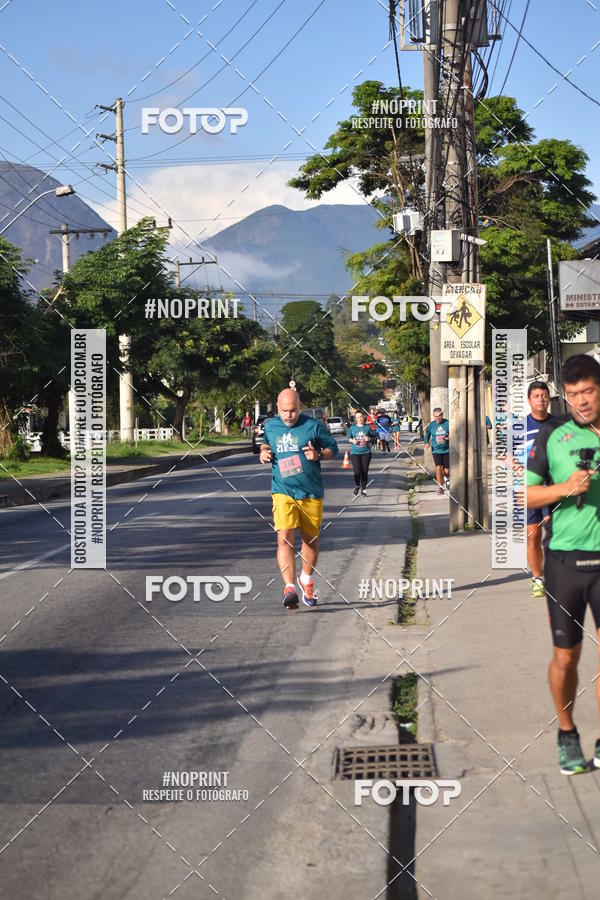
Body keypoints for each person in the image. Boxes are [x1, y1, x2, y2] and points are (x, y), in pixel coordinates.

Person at [526, 354, 600, 775]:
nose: (581, 402)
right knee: (566, 659)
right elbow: (526, 496)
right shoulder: (553, 436)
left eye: (588, 391)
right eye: (573, 396)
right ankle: (567, 732)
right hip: (565, 563)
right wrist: (564, 488)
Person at [260, 389, 338, 610]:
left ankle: (306, 578)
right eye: (285, 411)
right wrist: (263, 453)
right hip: (282, 490)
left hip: (310, 492)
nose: (289, 415)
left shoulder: (313, 426)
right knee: (284, 537)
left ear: (300, 407)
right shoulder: (271, 426)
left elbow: (333, 448)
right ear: (278, 408)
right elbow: (266, 444)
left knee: (309, 541)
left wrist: (319, 455)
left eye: (293, 410)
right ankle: (290, 587)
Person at [526, 382, 554, 598]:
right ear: (529, 400)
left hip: (556, 489)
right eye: (536, 396)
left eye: (544, 395)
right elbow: (505, 453)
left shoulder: (560, 425)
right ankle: (537, 578)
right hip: (530, 490)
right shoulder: (520, 427)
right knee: (533, 535)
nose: (541, 399)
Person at [424, 408, 450, 495]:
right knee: (438, 468)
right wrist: (426, 442)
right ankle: (440, 487)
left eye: (439, 416)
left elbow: (454, 433)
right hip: (436, 450)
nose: (437, 418)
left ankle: (446, 479)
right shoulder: (431, 425)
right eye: (435, 417)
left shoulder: (448, 423)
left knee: (446, 471)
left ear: (442, 415)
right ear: (433, 416)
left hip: (447, 449)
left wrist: (448, 438)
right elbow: (427, 434)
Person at [348, 410, 373, 496]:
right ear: (355, 418)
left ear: (363, 417)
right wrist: (353, 441)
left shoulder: (367, 427)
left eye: (361, 417)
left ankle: (364, 490)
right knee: (357, 472)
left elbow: (374, 437)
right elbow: (349, 438)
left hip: (366, 452)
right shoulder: (352, 428)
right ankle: (357, 486)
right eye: (358, 417)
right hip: (355, 452)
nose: (360, 419)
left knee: (364, 472)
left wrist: (369, 439)